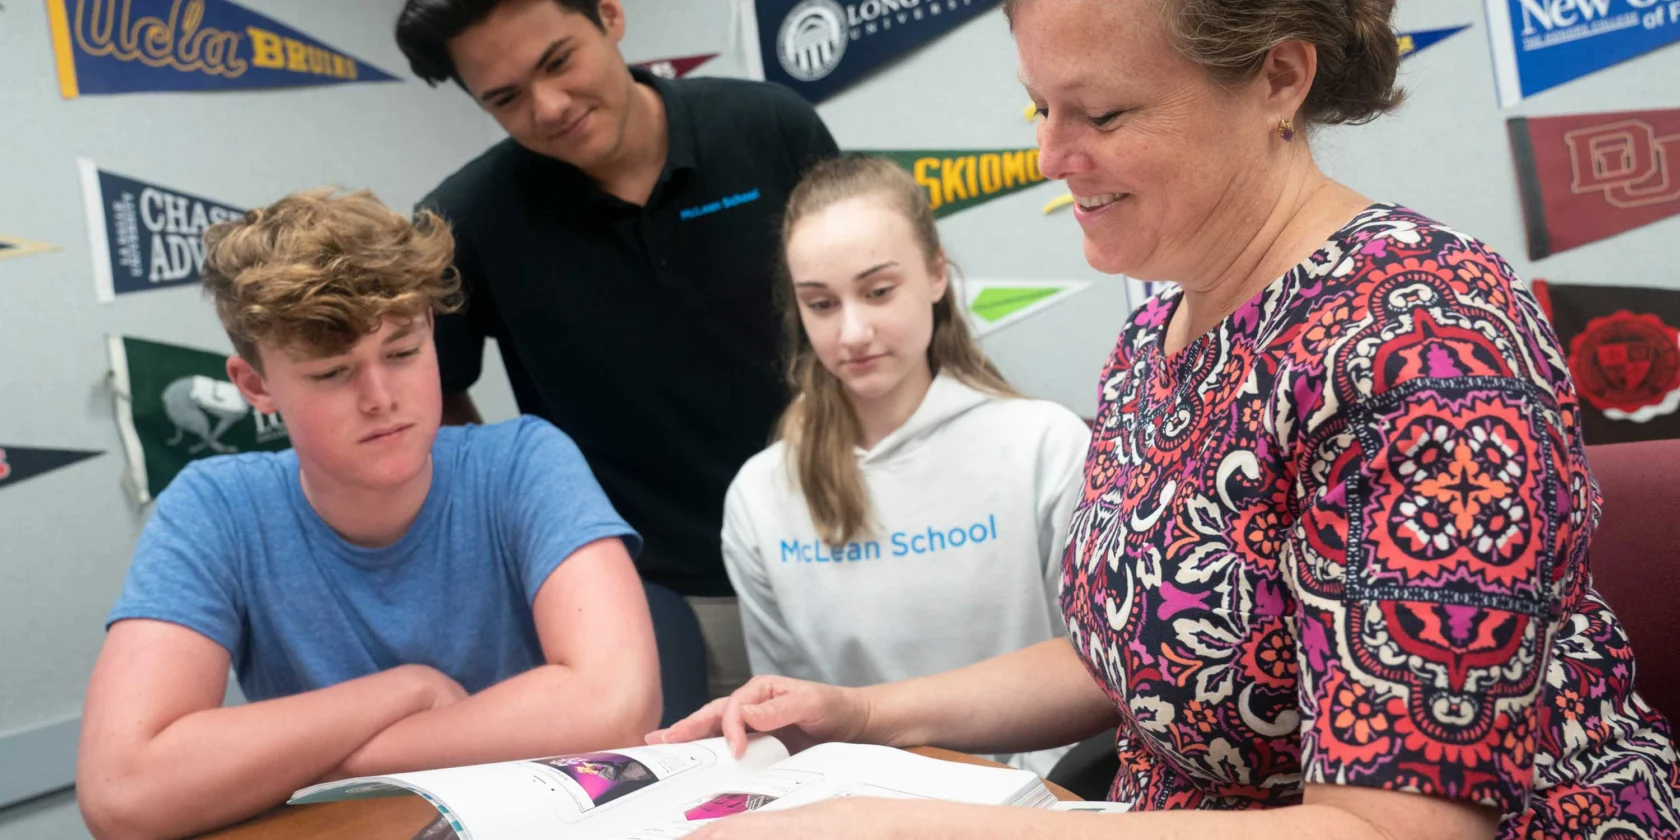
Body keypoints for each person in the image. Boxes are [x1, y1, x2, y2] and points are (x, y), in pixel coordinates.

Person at [648, 0, 1680, 837]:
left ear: (1279, 78)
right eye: (1039, 109)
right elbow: (1143, 650)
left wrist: (907, 824)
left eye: (1102, 116)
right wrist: (869, 714)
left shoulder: (1429, 343)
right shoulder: (1163, 324)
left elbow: (1392, 825)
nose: (1052, 155)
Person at [76, 189, 660, 840]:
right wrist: (404, 690)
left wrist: (320, 763)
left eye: (403, 353)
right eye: (332, 373)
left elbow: (617, 707)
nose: (381, 398)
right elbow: (121, 793)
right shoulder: (214, 507)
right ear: (256, 386)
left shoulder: (524, 460)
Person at [395, 0, 841, 700]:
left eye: (558, 61)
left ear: (609, 15)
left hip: (853, 543)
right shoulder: (465, 223)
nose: (549, 106)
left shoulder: (768, 127)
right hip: (663, 600)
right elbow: (433, 397)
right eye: (506, 98)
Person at [720, 156, 1090, 776]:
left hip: (1042, 805)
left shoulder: (1042, 447)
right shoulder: (760, 495)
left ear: (937, 274)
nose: (854, 331)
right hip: (853, 808)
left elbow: (1104, 674)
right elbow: (785, 724)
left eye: (878, 291)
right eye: (821, 304)